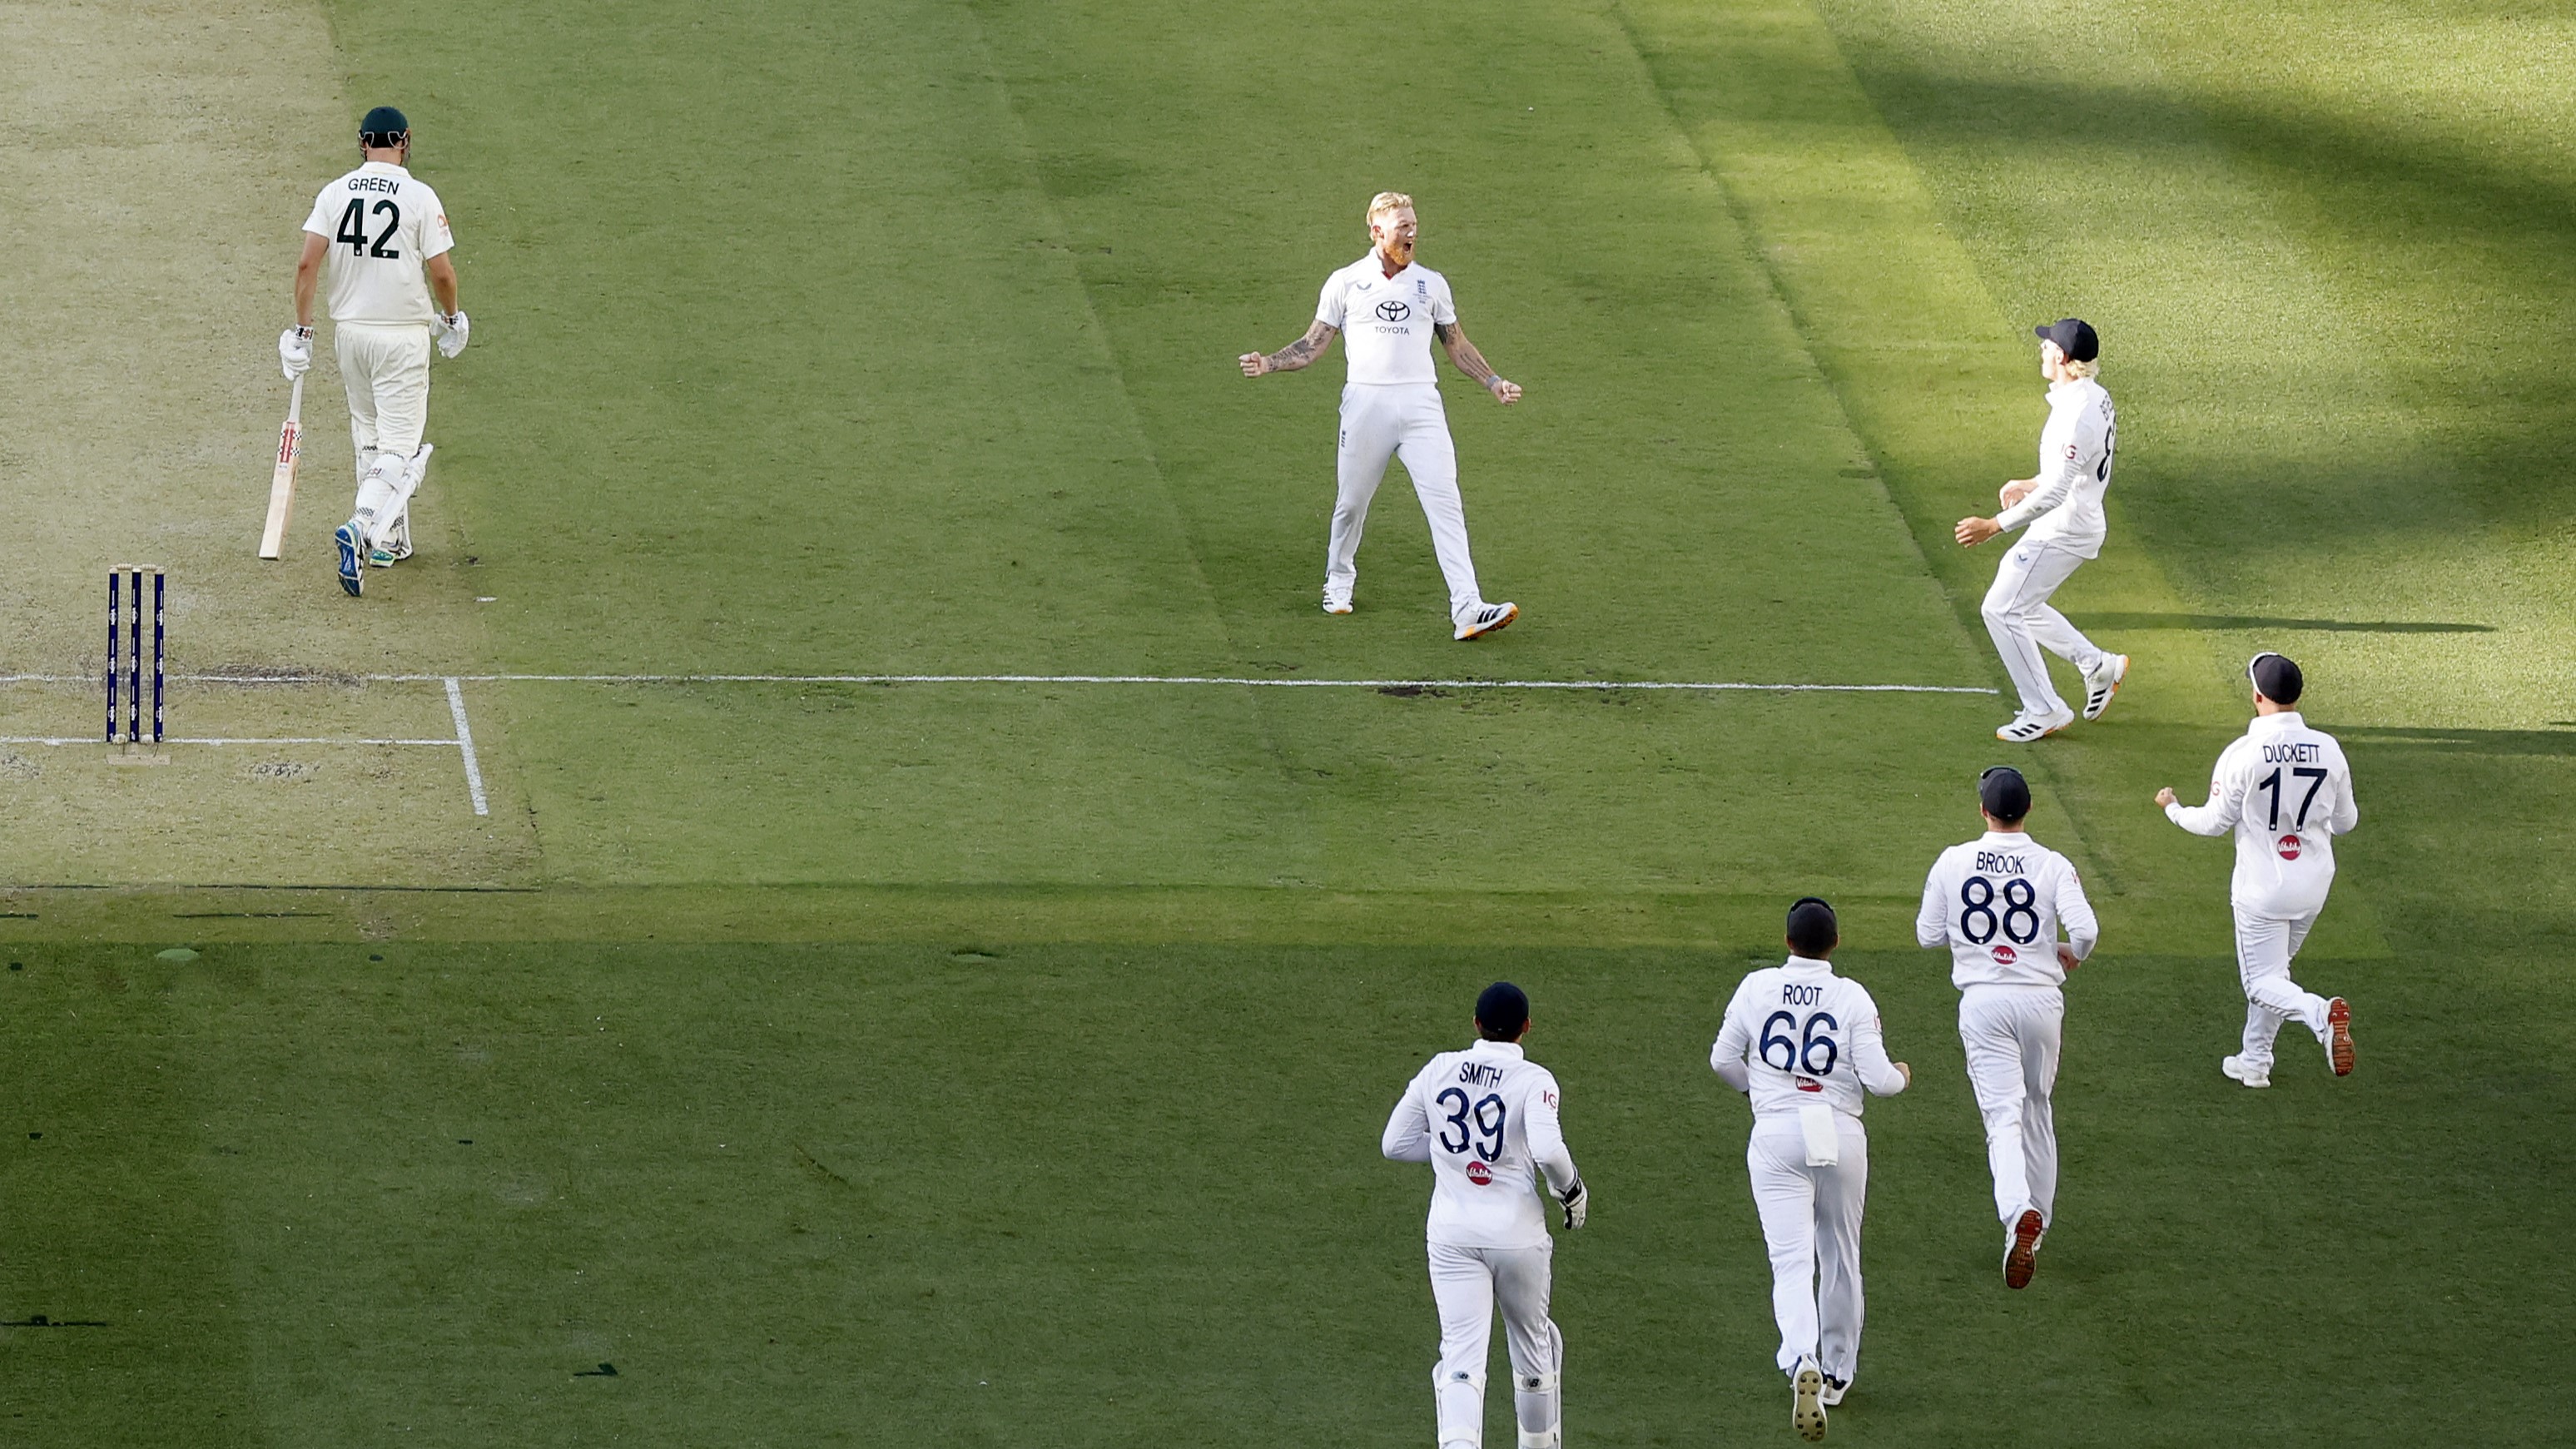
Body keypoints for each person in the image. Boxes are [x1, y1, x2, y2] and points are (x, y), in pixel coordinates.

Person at [1240, 191, 1521, 640]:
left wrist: (1493, 382)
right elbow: (1313, 344)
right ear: (1377, 232)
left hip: (1421, 405)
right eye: (1402, 227)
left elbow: (1456, 345)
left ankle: (1466, 605)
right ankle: (1339, 578)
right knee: (1352, 502)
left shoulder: (1431, 285)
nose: (1411, 233)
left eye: (1414, 225)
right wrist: (1269, 362)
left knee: (1445, 502)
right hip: (1366, 404)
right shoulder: (1346, 282)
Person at [1711, 898, 1909, 1442]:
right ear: (1835, 943)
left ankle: (1801, 1353)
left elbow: (1721, 1060)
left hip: (1776, 1132)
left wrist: (1761, 1091)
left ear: (1786, 939)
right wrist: (1902, 1074)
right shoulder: (1850, 995)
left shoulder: (1755, 987)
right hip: (1837, 1130)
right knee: (1840, 1252)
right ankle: (1838, 1373)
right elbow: (1880, 1080)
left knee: (1790, 1259)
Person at [1914, 766, 2098, 1290]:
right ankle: (2035, 1228)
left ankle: (2018, 1210)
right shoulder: (2052, 863)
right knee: (2037, 1108)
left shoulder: (1953, 861)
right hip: (2041, 1001)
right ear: (2029, 811)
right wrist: (2069, 956)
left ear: (1983, 811)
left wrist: (1973, 946)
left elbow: (1928, 935)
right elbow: (2086, 930)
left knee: (2003, 1116)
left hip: (1985, 1002)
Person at [1382, 982, 1586, 1449]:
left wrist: (1450, 1161)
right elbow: (1549, 1150)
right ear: (1526, 1029)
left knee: (1460, 1359)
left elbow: (1393, 1144)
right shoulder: (1534, 1080)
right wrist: (1571, 1192)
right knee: (1534, 1354)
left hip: (1453, 1235)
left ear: (1475, 1024)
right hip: (1517, 1237)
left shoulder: (1439, 1069)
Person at [280, 106, 467, 597]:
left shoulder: (335, 192)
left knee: (368, 433)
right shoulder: (420, 196)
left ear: (363, 142)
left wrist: (301, 332)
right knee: (400, 448)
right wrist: (451, 319)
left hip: (351, 335)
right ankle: (362, 527)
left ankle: (389, 539)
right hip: (402, 336)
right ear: (404, 140)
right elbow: (442, 274)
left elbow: (306, 266)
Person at [2156, 652, 2359, 1087]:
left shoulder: (2242, 754)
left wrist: (2173, 809)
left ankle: (2320, 1015)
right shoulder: (2329, 749)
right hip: (2314, 885)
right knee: (2275, 975)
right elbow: (2346, 822)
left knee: (2261, 982)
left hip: (2262, 889)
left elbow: (2212, 823)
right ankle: (2255, 1061)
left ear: (2256, 695)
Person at [1953, 319, 2130, 742]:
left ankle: (2045, 708)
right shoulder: (2093, 397)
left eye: (2049, 346)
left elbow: (2056, 493)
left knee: (2000, 608)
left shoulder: (2076, 417)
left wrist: (1993, 525)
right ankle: (2097, 665)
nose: (2043, 350)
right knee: (2023, 606)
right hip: (2073, 520)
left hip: (2064, 529)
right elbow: (2071, 473)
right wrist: (2031, 482)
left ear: (2066, 360)